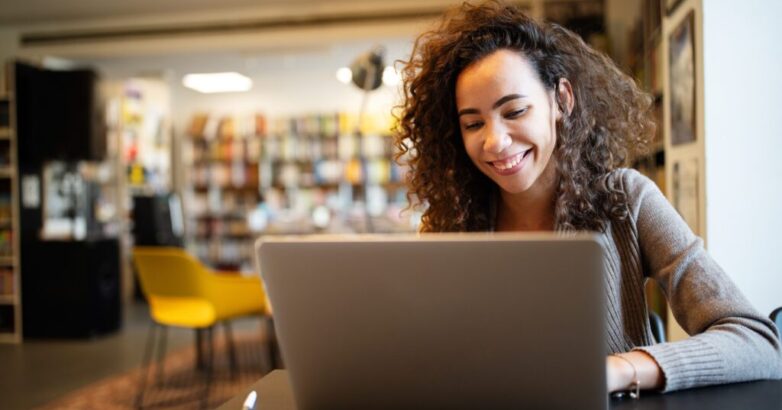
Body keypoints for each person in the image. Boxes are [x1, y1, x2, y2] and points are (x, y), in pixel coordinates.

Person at [394, 0, 782, 396]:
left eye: (514, 111)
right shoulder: (453, 224)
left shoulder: (626, 200)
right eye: (473, 123)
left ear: (561, 100)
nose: (495, 141)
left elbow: (758, 342)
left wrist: (618, 370)